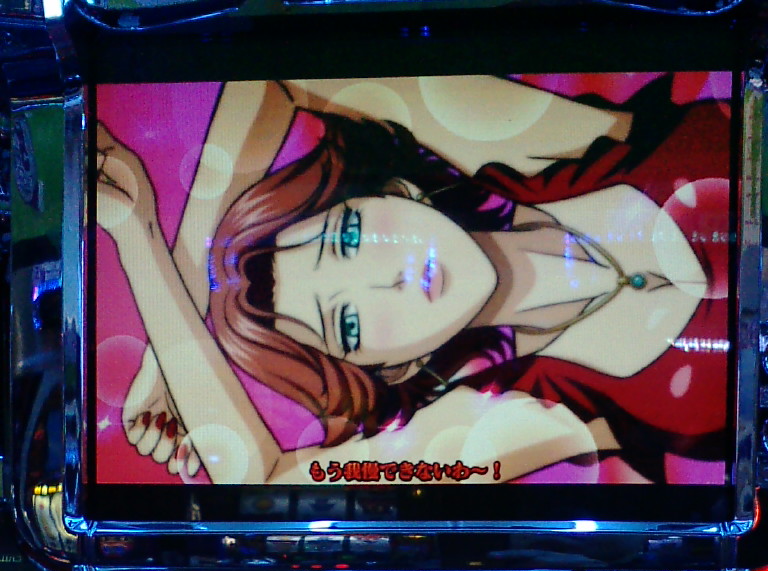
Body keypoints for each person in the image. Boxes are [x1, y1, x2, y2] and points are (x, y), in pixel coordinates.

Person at [96, 74, 730, 486]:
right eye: (348, 322)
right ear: (395, 367)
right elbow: (267, 485)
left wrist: (162, 360)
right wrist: (137, 242)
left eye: (349, 238)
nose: (389, 281)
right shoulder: (532, 415)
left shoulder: (546, 147)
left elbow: (275, 76)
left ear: (398, 192)